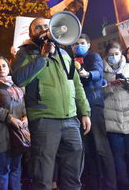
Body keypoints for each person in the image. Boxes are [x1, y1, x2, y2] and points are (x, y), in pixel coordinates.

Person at [12, 17, 91, 190]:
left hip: (71, 120)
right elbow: (19, 79)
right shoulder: (25, 53)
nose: (42, 29)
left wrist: (84, 112)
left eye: (45, 26)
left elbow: (76, 84)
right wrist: (42, 57)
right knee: (43, 175)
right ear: (31, 33)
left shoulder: (64, 54)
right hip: (44, 120)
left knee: (73, 173)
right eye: (37, 27)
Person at [73, 34, 116, 190]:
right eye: (76, 43)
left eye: (82, 43)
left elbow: (98, 72)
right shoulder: (71, 60)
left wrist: (87, 74)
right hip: (78, 109)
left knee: (100, 146)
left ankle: (110, 184)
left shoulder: (93, 57)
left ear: (89, 44)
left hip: (93, 105)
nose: (78, 46)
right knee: (87, 148)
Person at [0, 56, 26, 190]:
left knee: (15, 168)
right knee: (3, 169)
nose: (1, 69)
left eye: (4, 66)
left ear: (9, 68)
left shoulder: (16, 85)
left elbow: (23, 104)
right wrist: (10, 118)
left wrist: (26, 117)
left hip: (18, 132)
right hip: (1, 132)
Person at [102, 41, 129, 190]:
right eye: (111, 54)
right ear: (106, 55)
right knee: (118, 155)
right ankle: (124, 184)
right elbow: (98, 93)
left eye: (116, 54)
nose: (114, 57)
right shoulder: (102, 70)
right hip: (111, 119)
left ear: (121, 54)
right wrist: (111, 87)